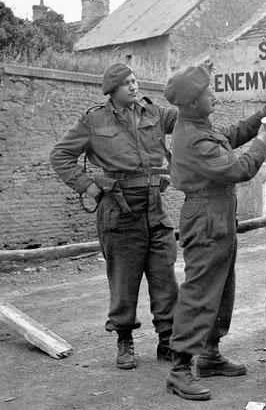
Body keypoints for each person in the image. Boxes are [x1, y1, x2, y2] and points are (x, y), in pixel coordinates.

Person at [50, 63, 179, 370]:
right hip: (120, 210)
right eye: (127, 84)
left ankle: (167, 341)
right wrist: (86, 185)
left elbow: (191, 120)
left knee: (165, 279)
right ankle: (125, 341)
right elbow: (60, 155)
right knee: (124, 281)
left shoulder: (156, 114)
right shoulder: (95, 120)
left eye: (135, 81)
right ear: (113, 91)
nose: (135, 87)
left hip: (155, 206)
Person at [162, 65, 266, 401]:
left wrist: (263, 114)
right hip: (206, 215)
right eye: (207, 93)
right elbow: (239, 168)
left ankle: (209, 355)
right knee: (199, 292)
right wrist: (263, 142)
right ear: (193, 103)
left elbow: (232, 133)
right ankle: (180, 369)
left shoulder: (200, 127)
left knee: (222, 289)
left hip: (219, 214)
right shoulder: (192, 138)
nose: (213, 96)